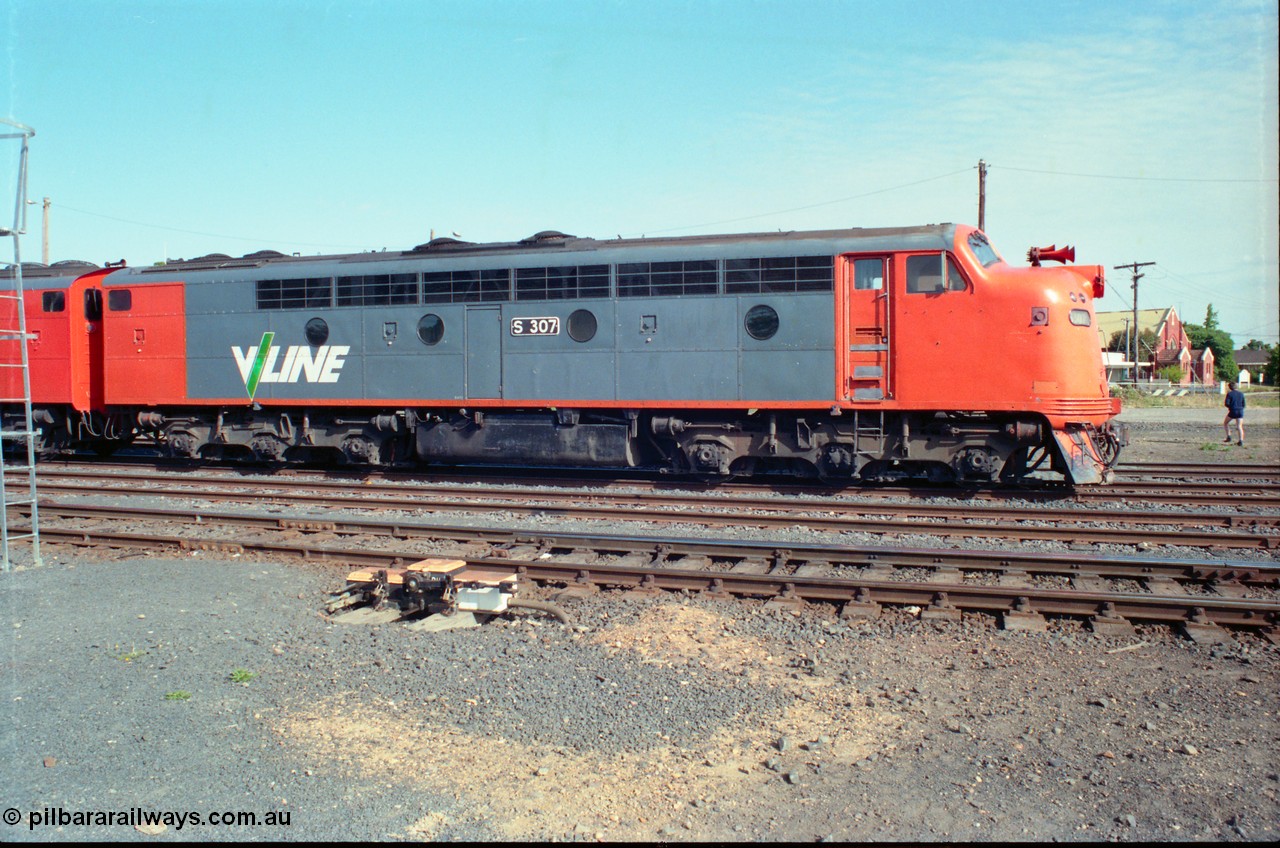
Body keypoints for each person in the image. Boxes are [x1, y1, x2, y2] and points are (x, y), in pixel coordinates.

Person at [1223, 382, 1246, 446]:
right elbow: (1244, 404)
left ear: (1230, 387)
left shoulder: (1230, 394)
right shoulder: (1241, 394)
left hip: (1233, 411)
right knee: (1239, 426)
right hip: (1240, 411)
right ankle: (1241, 440)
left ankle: (1229, 436)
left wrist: (1230, 407)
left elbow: (1226, 403)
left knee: (1225, 423)